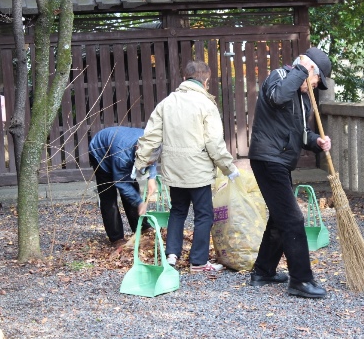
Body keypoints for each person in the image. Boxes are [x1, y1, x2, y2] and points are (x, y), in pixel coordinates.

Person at [134, 60, 239, 273]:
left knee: (178, 211)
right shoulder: (206, 105)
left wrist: (141, 163)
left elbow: (151, 137)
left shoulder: (166, 103)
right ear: (206, 80)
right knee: (204, 214)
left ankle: (172, 255)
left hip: (174, 169)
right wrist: (229, 168)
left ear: (185, 79)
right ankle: (199, 261)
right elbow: (214, 144)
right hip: (198, 171)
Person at [247, 47, 332, 298]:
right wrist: (302, 70)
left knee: (280, 217)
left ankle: (263, 271)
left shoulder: (305, 98)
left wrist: (316, 140)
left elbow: (301, 133)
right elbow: (277, 98)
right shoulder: (280, 77)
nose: (316, 86)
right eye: (317, 80)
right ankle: (301, 280)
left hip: (281, 160)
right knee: (293, 219)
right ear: (309, 70)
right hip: (267, 158)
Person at [89, 126, 157, 249]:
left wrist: (151, 178)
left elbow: (152, 159)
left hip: (119, 145)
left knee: (133, 190)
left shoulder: (152, 142)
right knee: (109, 196)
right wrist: (139, 203)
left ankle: (141, 227)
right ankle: (116, 238)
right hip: (100, 152)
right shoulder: (122, 156)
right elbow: (121, 183)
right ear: (137, 150)